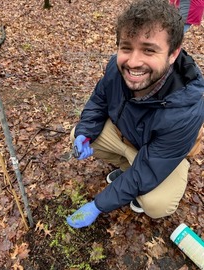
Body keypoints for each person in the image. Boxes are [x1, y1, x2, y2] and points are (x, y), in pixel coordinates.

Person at [66, 0, 204, 229]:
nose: (133, 62)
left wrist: (98, 205)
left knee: (156, 204)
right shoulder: (115, 67)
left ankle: (157, 177)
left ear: (173, 54)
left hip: (161, 156)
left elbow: (149, 168)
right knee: (77, 136)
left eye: (149, 50)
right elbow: (99, 100)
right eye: (126, 47)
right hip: (129, 135)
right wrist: (84, 132)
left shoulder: (186, 110)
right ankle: (127, 169)